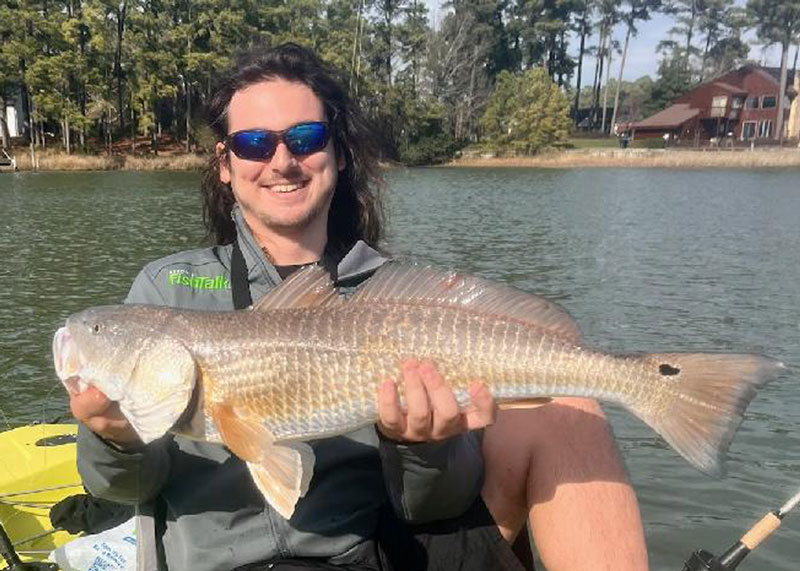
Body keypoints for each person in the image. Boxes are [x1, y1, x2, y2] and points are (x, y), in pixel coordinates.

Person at [68, 43, 648, 571]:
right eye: (252, 143)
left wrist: (423, 447)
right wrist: (116, 440)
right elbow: (123, 490)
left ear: (337, 154)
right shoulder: (165, 288)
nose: (281, 161)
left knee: (573, 405)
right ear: (225, 165)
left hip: (369, 552)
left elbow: (431, 507)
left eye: (304, 138)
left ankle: (648, 383)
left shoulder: (393, 295)